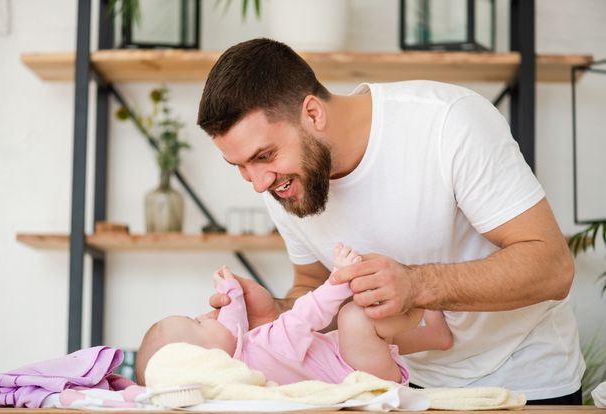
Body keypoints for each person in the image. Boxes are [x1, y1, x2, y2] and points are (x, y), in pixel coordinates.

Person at [196, 38, 585, 404]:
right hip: (400, 386)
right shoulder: (283, 184)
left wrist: (416, 284)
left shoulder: (448, 123)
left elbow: (552, 267)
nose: (258, 182)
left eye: (264, 156)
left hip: (523, 382)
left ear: (312, 113)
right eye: (240, 166)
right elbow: (315, 287)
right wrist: (278, 312)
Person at [134, 244, 453, 386]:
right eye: (197, 323)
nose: (204, 316)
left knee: (342, 340)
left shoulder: (239, 366)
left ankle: (434, 337)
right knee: (354, 318)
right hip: (367, 379)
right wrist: (337, 279)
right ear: (207, 360)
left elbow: (234, 326)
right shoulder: (262, 349)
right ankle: (418, 304)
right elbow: (305, 316)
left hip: (351, 362)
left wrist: (232, 291)